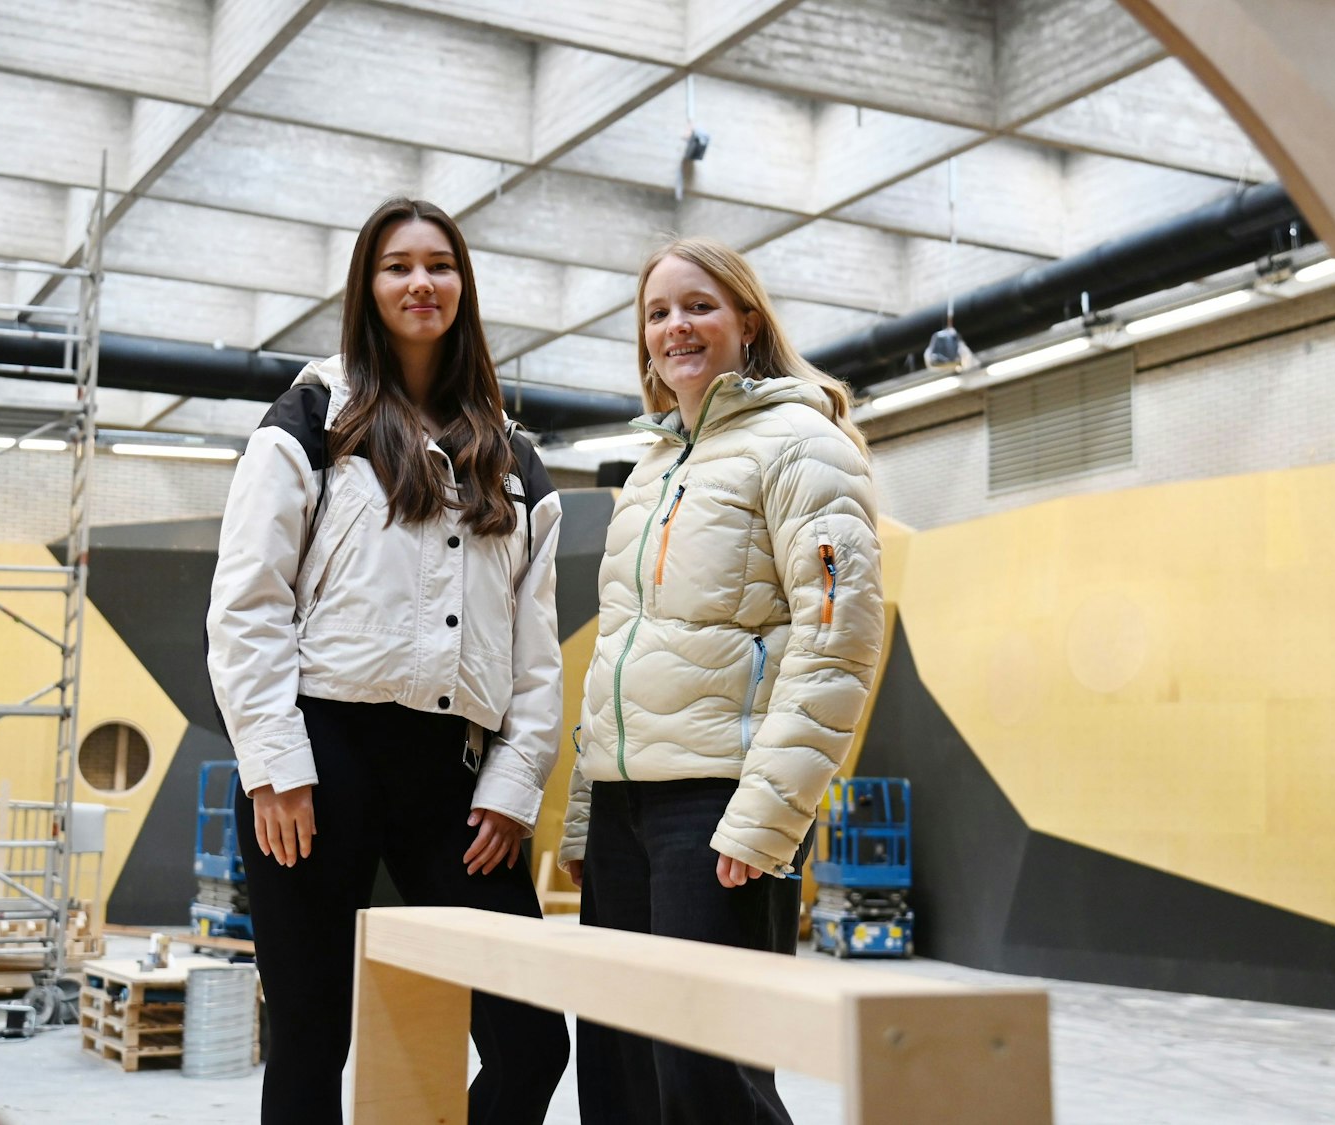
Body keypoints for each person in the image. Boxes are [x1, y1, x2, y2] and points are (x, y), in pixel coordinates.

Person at [207, 197, 569, 1125]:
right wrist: (274, 765)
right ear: (368, 286)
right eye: (397, 265)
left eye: (439, 265)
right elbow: (248, 602)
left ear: (463, 286)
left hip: (454, 776)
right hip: (320, 753)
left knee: (534, 1039)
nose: (421, 282)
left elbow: (536, 653)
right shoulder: (311, 417)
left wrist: (514, 783)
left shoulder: (515, 460)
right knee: (311, 1035)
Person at [559, 236, 885, 1124]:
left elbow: (838, 641)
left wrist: (770, 816)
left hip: (720, 807)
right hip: (627, 808)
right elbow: (623, 650)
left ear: (746, 319)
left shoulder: (802, 445)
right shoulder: (654, 466)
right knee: (618, 1076)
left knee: (707, 1083)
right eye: (657, 312)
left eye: (698, 305)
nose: (677, 327)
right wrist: (591, 809)